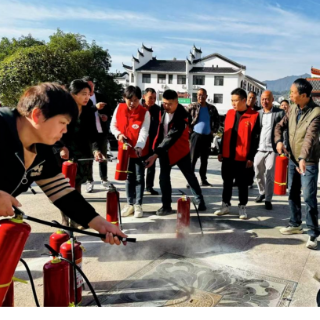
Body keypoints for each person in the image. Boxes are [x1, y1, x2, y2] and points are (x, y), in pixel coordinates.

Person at [0, 83, 126, 245]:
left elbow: (60, 191)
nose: (65, 131)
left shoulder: (41, 147)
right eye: (62, 122)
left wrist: (101, 224)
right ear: (37, 115)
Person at [275, 78, 320, 250]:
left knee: (308, 196)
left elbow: (310, 138)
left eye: (293, 93)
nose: (290, 95)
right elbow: (279, 126)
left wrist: (302, 158)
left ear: (303, 95)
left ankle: (313, 233)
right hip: (293, 158)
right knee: (292, 192)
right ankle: (295, 223)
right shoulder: (293, 108)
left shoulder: (316, 113)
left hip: (308, 161)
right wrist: (279, 141)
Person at [146, 90, 207, 215]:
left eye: (169, 104)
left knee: (190, 176)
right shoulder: (161, 110)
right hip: (165, 151)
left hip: (180, 151)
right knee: (163, 178)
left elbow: (171, 136)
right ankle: (166, 206)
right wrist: (154, 150)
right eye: (164, 103)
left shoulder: (183, 115)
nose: (166, 106)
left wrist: (156, 153)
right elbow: (160, 132)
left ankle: (200, 200)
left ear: (176, 102)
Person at [59, 80, 106, 228]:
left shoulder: (88, 111)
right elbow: (55, 132)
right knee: (64, 189)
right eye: (83, 94)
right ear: (73, 95)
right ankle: (65, 220)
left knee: (76, 187)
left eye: (88, 94)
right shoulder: (63, 110)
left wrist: (96, 150)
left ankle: (76, 219)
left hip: (81, 153)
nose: (87, 97)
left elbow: (93, 134)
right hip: (63, 153)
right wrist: (61, 147)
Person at [215, 88, 260, 220]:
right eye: (232, 101)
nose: (233, 103)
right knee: (227, 182)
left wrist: (251, 157)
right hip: (228, 155)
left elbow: (255, 139)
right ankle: (225, 205)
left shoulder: (253, 116)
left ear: (244, 100)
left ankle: (242, 206)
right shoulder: (229, 113)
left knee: (243, 183)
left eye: (235, 101)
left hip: (243, 157)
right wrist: (220, 151)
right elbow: (225, 133)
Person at [111, 86, 150, 219]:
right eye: (130, 100)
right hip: (124, 151)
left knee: (139, 177)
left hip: (139, 151)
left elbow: (144, 131)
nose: (132, 103)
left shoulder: (145, 113)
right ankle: (129, 204)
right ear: (124, 98)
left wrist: (139, 146)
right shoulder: (119, 108)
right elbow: (113, 125)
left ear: (140, 99)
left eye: (136, 100)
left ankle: (138, 204)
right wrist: (119, 135)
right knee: (128, 177)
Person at [254, 91, 285, 210]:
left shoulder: (279, 113)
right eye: (262, 99)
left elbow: (284, 130)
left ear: (272, 100)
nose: (264, 102)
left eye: (267, 99)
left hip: (272, 149)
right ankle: (262, 192)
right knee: (257, 169)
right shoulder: (258, 114)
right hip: (260, 148)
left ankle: (268, 199)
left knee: (269, 172)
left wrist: (282, 144)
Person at [186, 88, 220, 187]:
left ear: (206, 96)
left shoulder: (212, 108)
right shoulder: (192, 107)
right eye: (199, 95)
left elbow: (217, 120)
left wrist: (213, 130)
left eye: (203, 95)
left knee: (204, 160)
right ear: (197, 97)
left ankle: (203, 180)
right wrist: (189, 128)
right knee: (192, 159)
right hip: (195, 136)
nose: (201, 97)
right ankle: (190, 180)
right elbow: (184, 117)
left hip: (207, 137)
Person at [83, 76, 111, 192]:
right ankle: (89, 181)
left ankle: (104, 179)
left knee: (103, 156)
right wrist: (95, 107)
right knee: (89, 157)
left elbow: (109, 110)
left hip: (101, 131)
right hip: (89, 132)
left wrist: (106, 116)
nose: (90, 87)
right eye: (88, 86)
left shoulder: (101, 96)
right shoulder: (83, 98)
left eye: (91, 85)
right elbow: (83, 113)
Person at [143, 88, 161, 196]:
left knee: (151, 165)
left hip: (153, 141)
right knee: (138, 166)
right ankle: (137, 186)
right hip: (140, 142)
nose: (152, 100)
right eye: (150, 97)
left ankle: (149, 187)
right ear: (144, 97)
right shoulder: (138, 108)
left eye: (154, 98)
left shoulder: (158, 110)